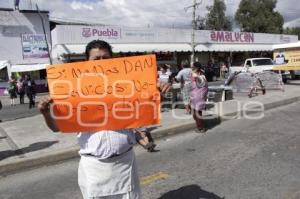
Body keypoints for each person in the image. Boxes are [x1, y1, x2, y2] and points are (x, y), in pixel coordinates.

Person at [38, 40, 141, 199]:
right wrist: (46, 113)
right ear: (87, 62)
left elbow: (143, 113)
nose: (101, 63)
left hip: (124, 164)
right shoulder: (72, 89)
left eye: (105, 58)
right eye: (96, 59)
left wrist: (158, 93)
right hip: (93, 167)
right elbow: (56, 127)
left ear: (113, 59)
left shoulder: (128, 85)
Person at [190, 62, 208, 133]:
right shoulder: (199, 75)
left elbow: (205, 87)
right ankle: (200, 126)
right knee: (195, 114)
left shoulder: (199, 76)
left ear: (196, 68)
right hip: (194, 97)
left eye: (192, 67)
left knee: (197, 114)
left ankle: (201, 128)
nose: (191, 68)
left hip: (198, 97)